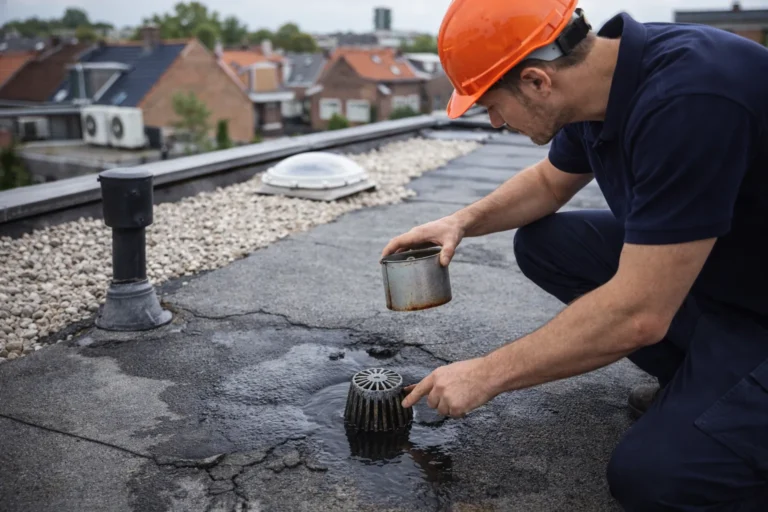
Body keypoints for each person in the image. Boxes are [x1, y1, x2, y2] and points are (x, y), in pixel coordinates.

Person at [381, 0, 768, 509]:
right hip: (737, 270)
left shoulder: (689, 102)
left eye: (492, 104)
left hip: (756, 311)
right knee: (545, 244)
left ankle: (728, 401)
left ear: (537, 81)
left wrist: (485, 373)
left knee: (653, 479)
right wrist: (460, 223)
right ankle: (698, 382)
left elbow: (639, 315)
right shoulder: (605, 80)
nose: (494, 122)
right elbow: (548, 183)